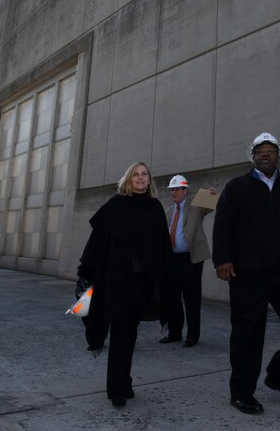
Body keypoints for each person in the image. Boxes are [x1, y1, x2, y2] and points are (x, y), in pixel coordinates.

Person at [212, 132, 280, 415]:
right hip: (247, 273)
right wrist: (222, 260)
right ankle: (241, 392)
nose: (265, 153)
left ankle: (278, 374)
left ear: (278, 156)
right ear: (253, 156)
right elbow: (223, 224)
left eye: (270, 150)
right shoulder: (237, 187)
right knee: (248, 333)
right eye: (260, 150)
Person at [76, 162, 172, 408]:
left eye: (144, 175)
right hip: (119, 280)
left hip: (144, 282)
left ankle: (125, 382)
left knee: (130, 334)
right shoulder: (116, 205)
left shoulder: (155, 207)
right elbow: (97, 239)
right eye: (135, 175)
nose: (140, 178)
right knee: (120, 333)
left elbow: (162, 246)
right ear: (128, 180)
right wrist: (86, 270)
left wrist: (165, 278)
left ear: (149, 181)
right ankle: (117, 389)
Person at [161, 174, 214, 347]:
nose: (174, 192)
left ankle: (192, 335)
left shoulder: (196, 206)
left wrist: (211, 193)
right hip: (173, 260)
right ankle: (175, 333)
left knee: (192, 298)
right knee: (173, 299)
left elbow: (212, 202)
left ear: (186, 190)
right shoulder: (170, 212)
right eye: (172, 190)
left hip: (191, 260)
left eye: (177, 189)